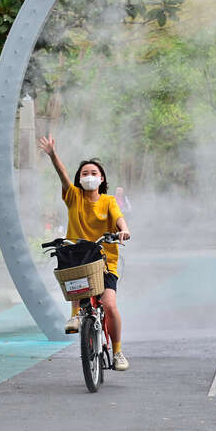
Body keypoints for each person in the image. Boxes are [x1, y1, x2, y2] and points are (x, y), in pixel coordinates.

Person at [38, 136, 131, 371]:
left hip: (105, 260)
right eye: (85, 173)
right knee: (72, 277)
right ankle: (76, 314)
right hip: (78, 258)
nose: (89, 176)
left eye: (93, 173)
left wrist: (124, 230)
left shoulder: (109, 201)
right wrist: (52, 154)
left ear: (102, 179)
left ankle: (117, 351)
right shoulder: (73, 197)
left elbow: (119, 218)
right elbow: (62, 175)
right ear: (79, 179)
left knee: (109, 304)